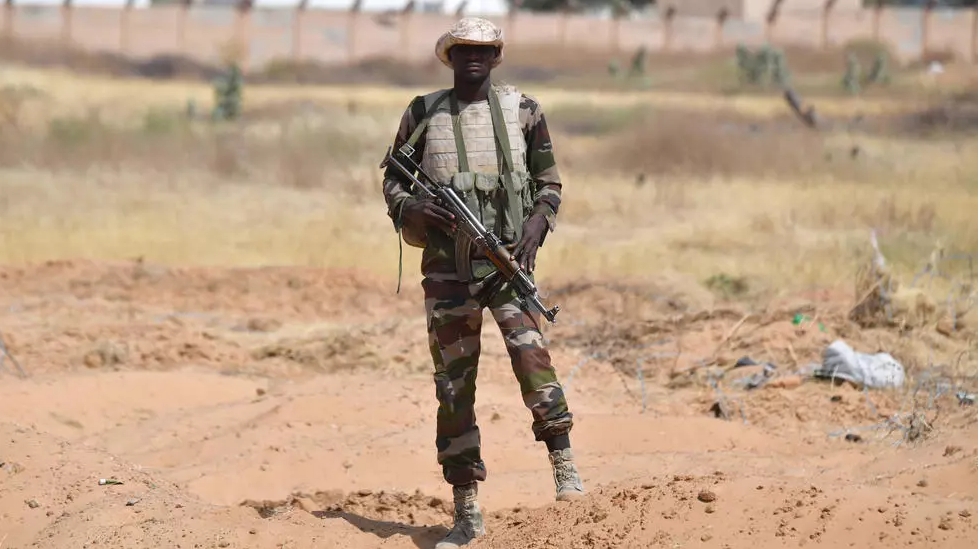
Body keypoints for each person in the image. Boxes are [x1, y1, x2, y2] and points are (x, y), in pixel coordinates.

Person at [379, 16, 585, 549]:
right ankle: (466, 508)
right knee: (454, 388)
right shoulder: (422, 114)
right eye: (464, 49)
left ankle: (566, 470)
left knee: (533, 362)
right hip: (447, 276)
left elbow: (549, 184)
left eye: (484, 49)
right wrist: (416, 208)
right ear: (450, 57)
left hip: (507, 269)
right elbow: (392, 181)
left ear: (496, 58)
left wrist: (538, 225)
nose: (474, 57)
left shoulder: (524, 111)